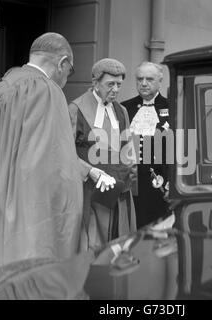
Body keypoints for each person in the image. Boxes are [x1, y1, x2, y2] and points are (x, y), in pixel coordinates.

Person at [0, 33, 93, 299]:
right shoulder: (47, 92)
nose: (67, 78)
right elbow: (52, 170)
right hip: (25, 211)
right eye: (69, 71)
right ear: (62, 63)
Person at [68, 58, 137, 250]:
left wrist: (130, 183)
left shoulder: (121, 110)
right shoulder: (76, 109)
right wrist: (88, 171)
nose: (115, 89)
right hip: (89, 191)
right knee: (92, 245)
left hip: (119, 190)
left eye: (119, 85)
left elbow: (128, 149)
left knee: (119, 245)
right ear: (95, 83)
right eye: (110, 84)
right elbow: (64, 151)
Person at [122, 62, 171, 229]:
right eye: (139, 79)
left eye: (149, 79)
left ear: (160, 81)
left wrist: (173, 182)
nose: (143, 83)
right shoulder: (124, 108)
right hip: (131, 182)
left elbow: (181, 149)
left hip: (160, 182)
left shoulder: (172, 107)